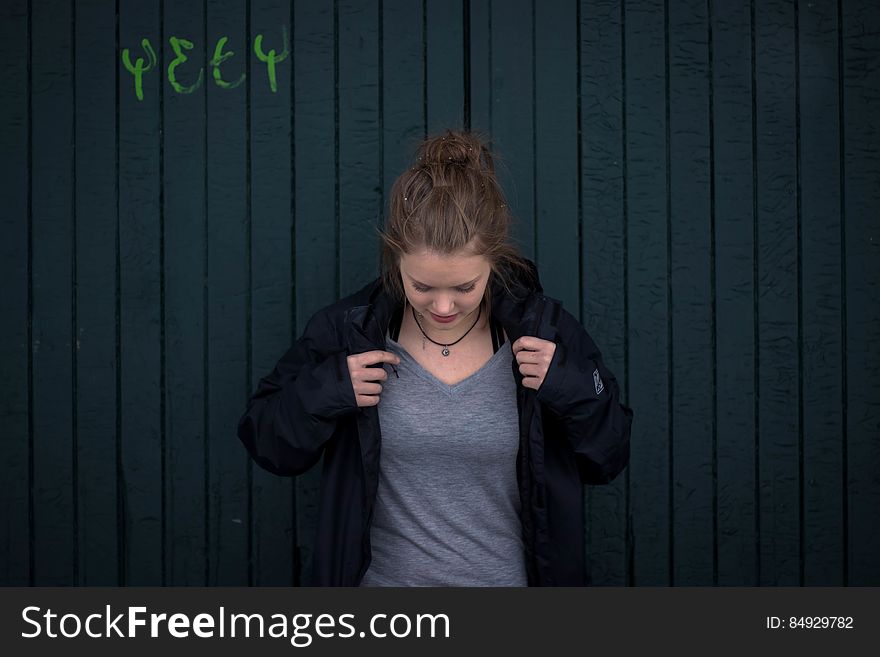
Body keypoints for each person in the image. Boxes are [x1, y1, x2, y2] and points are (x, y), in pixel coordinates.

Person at [237, 129, 633, 586]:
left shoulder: (544, 331)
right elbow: (266, 440)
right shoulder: (350, 330)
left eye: (464, 287)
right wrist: (329, 389)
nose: (443, 307)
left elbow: (610, 455)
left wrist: (568, 383)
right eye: (422, 286)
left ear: (495, 262)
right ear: (395, 261)